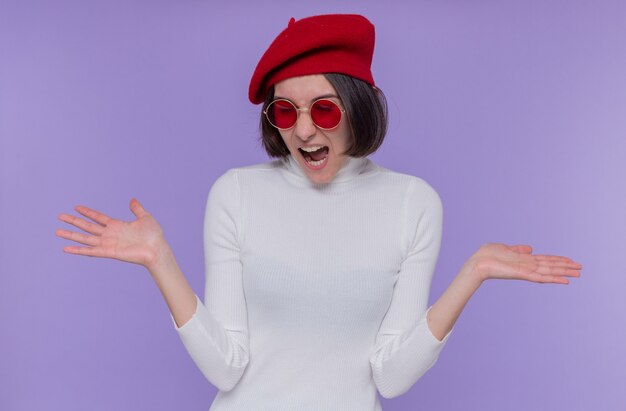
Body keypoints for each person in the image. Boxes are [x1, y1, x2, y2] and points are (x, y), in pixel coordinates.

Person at [55, 14, 582, 411]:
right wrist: (159, 260)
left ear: (358, 107)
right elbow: (226, 367)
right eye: (286, 111)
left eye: (324, 108)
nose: (304, 131)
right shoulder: (236, 194)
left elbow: (390, 377)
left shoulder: (412, 203)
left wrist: (473, 274)